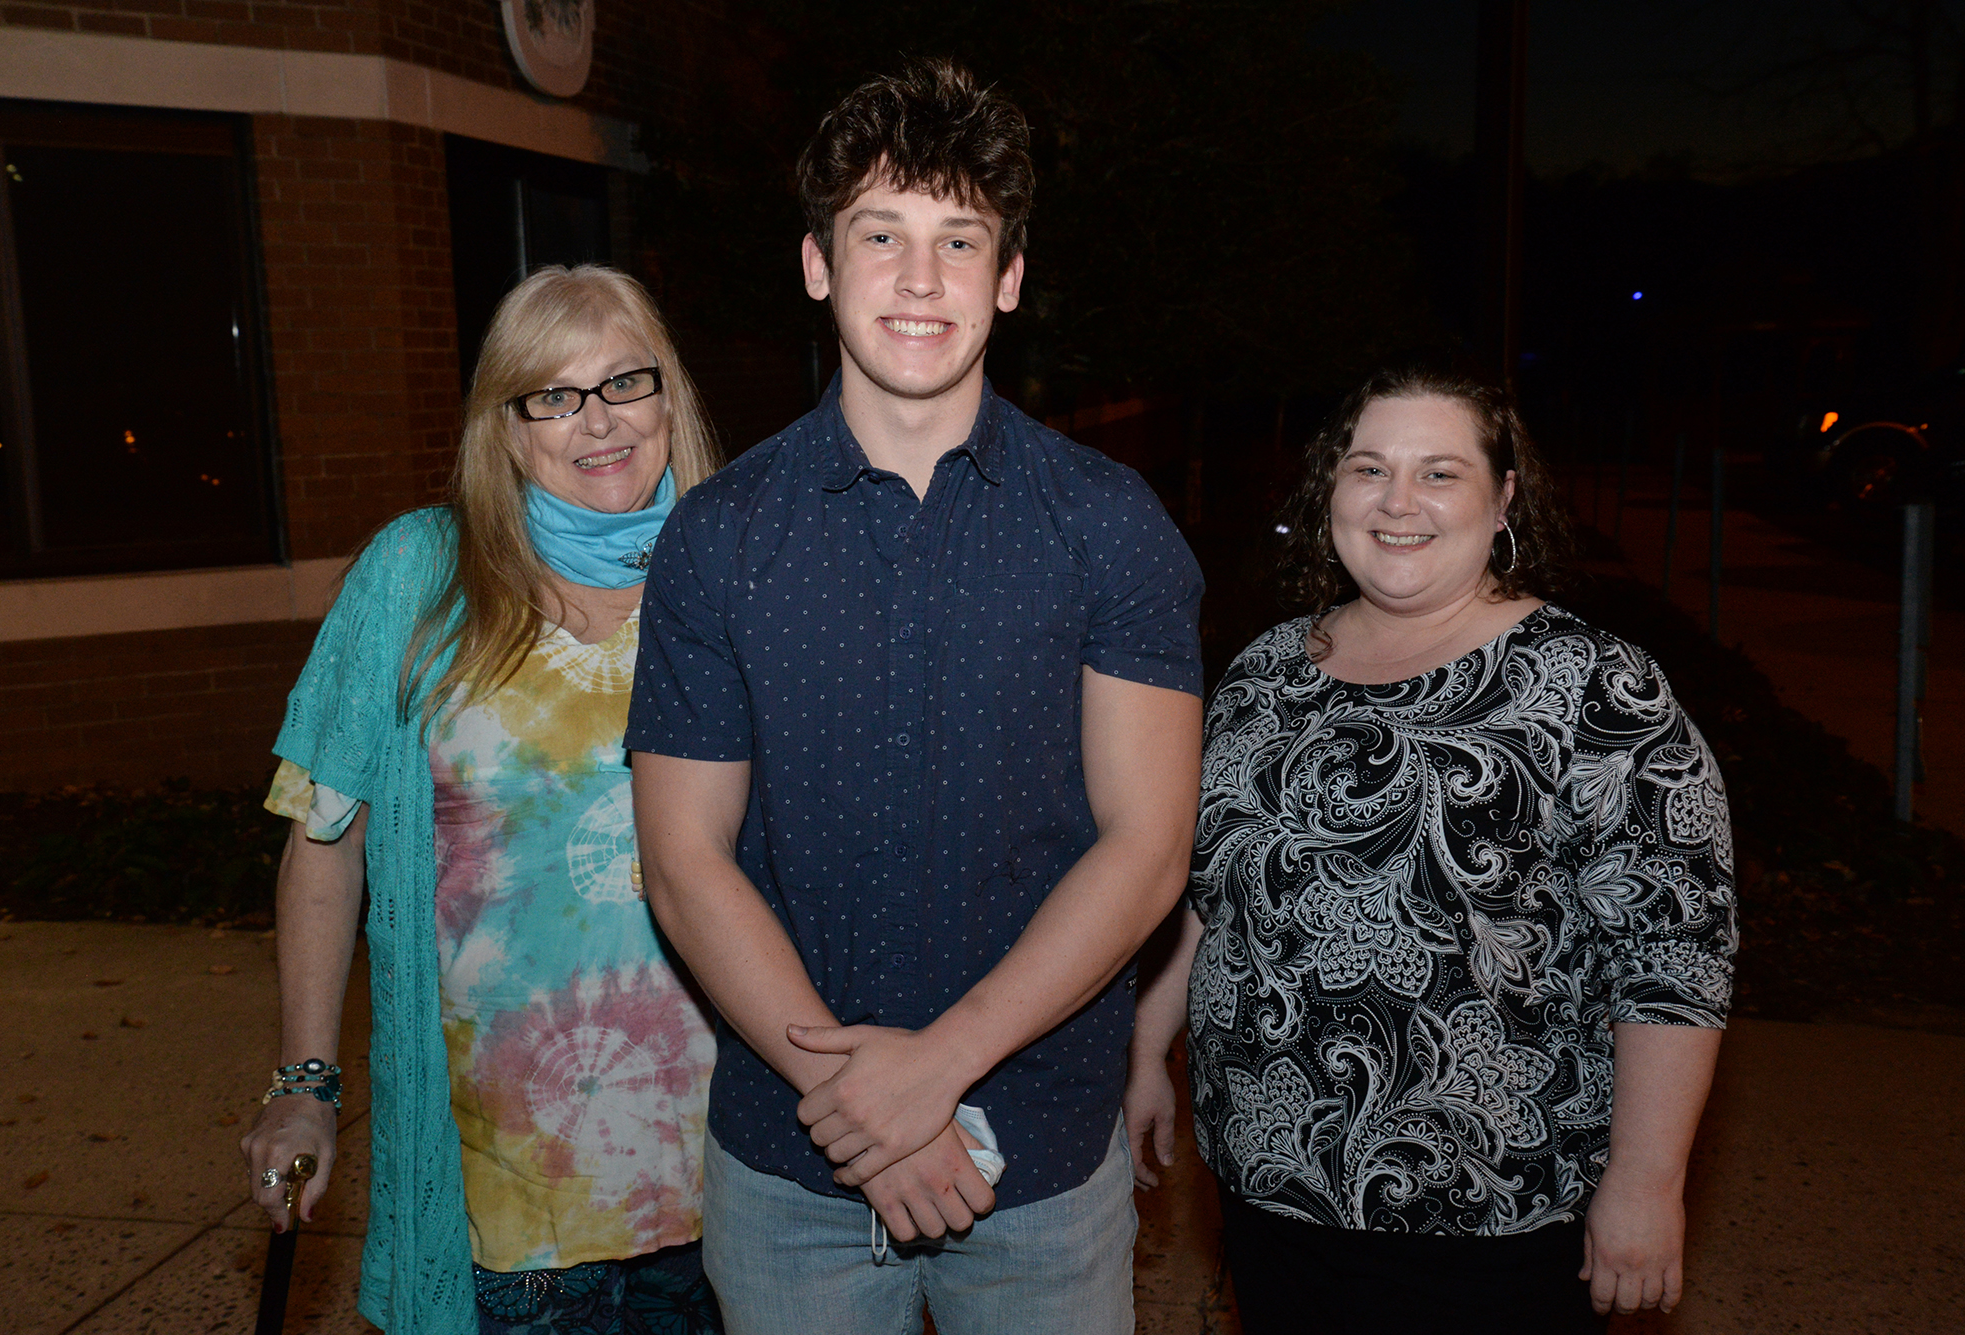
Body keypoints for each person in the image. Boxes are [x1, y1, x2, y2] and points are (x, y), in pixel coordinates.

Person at [626, 59, 1204, 1334]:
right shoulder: (718, 538)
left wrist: (931, 1074)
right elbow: (682, 861)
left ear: (1008, 277)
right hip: (792, 1169)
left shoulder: (1108, 526)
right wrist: (868, 1117)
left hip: (1045, 1165)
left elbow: (1149, 848)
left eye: (960, 240)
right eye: (880, 235)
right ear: (818, 264)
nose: (922, 278)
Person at [1125, 364, 1737, 1333]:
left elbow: (1672, 960)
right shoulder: (1265, 671)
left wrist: (1644, 1184)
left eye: (1438, 473)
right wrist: (1144, 1055)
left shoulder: (1595, 687)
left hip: (1494, 1212)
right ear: (1330, 491)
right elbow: (1207, 893)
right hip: (1269, 1182)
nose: (1396, 502)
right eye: (1367, 469)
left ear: (1501, 501)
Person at [240, 265, 726, 1334]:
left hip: (740, 1183)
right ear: (505, 428)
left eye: (622, 383)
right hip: (513, 1198)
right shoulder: (422, 574)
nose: (594, 421)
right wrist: (306, 1081)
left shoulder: (740, 569)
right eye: (550, 395)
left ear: (667, 398)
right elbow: (327, 841)